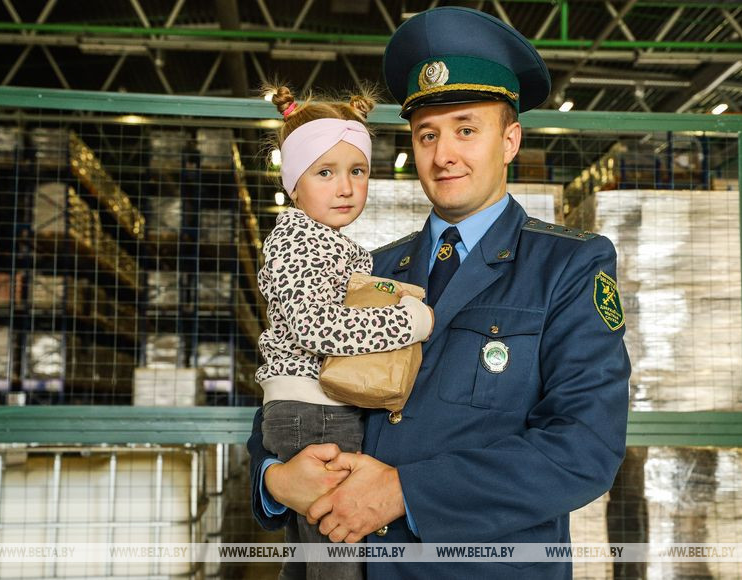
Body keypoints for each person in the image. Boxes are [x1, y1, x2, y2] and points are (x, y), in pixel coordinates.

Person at [247, 7, 630, 579]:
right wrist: (275, 480)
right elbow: (290, 389)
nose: (443, 154)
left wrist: (405, 492)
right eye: (428, 134)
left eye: (467, 130)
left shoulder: (569, 266)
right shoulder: (370, 270)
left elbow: (583, 450)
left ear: (510, 140)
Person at [254, 85, 434, 580]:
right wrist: (406, 322)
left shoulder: (329, 242)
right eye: (325, 172)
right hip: (316, 412)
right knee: (338, 553)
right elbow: (316, 326)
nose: (345, 187)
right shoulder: (298, 238)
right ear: (293, 182)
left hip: (315, 409)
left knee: (317, 554)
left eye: (357, 171)